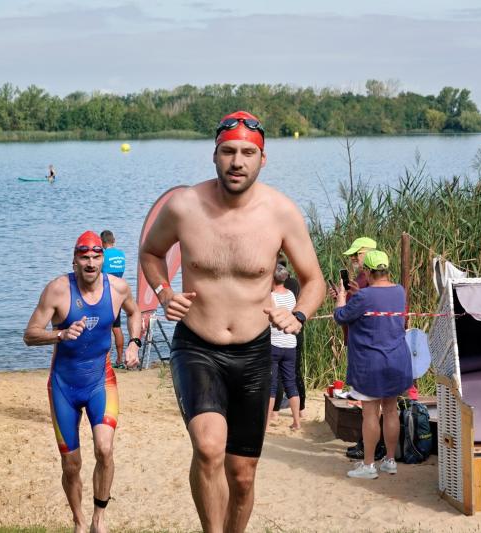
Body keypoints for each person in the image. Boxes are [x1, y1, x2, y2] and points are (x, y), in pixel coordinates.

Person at [139, 110, 325, 532]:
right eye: (228, 152)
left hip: (254, 353)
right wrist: (164, 292)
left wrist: (298, 314)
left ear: (262, 159)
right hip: (196, 345)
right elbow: (151, 252)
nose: (237, 161)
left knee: (242, 475)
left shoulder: (281, 212)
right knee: (208, 449)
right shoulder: (184, 206)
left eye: (247, 153)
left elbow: (314, 280)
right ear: (214, 155)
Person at [23, 231, 142, 533]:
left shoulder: (118, 288)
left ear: (103, 259)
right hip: (64, 386)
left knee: (104, 449)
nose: (90, 263)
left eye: (95, 257)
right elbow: (30, 334)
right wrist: (60, 334)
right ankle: (78, 521)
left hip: (101, 380)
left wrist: (134, 342)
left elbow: (135, 312)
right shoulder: (58, 290)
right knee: (71, 464)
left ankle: (98, 520)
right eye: (84, 257)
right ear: (74, 260)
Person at [332, 250, 412, 479]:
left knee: (370, 413)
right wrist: (359, 295)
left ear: (367, 272)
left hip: (370, 363)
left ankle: (368, 465)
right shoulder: (399, 291)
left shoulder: (364, 296)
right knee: (391, 410)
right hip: (397, 359)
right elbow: (376, 304)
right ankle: (390, 460)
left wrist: (341, 297)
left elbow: (340, 316)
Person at [268, 263, 300, 430]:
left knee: (271, 385)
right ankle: (296, 421)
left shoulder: (270, 296)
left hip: (274, 344)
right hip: (290, 344)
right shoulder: (291, 295)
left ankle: (266, 423)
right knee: (291, 383)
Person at [100, 230, 127, 368]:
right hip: (118, 293)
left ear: (102, 242)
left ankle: (106, 360)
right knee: (117, 327)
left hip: (105, 293)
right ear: (113, 240)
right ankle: (120, 360)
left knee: (104, 328)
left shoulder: (102, 255)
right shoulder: (121, 255)